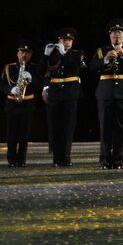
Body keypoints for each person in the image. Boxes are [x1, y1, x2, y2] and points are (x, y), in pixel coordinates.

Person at [87, 19, 123, 169]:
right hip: (105, 92)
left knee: (121, 128)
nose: (116, 35)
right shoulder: (101, 51)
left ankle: (118, 160)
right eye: (114, 33)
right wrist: (105, 59)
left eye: (120, 33)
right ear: (109, 35)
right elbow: (91, 67)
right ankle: (105, 160)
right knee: (105, 127)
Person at [42, 28, 84, 167]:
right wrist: (46, 55)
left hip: (70, 94)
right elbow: (40, 71)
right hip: (55, 93)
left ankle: (65, 157)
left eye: (69, 40)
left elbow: (73, 65)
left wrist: (62, 53)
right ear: (59, 40)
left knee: (68, 126)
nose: (67, 42)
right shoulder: (52, 54)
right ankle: (56, 158)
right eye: (64, 40)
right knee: (55, 126)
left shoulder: (78, 54)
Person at [1, 43, 39, 166]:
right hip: (12, 103)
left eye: (27, 53)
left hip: (27, 103)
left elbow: (41, 84)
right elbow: (1, 85)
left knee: (24, 134)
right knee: (11, 134)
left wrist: (31, 79)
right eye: (22, 52)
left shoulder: (35, 68)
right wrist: (10, 90)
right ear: (17, 53)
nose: (24, 55)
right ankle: (11, 160)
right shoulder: (9, 67)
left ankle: (21, 160)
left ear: (31, 55)